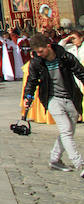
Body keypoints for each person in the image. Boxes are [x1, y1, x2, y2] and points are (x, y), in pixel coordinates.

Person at [22, 33, 84, 176]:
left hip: (70, 97)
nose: (39, 54)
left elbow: (80, 72)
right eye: (36, 52)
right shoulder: (37, 62)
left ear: (48, 46)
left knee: (69, 130)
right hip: (51, 98)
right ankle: (79, 164)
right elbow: (32, 81)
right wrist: (28, 97)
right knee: (66, 130)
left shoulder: (65, 56)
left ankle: (55, 159)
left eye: (41, 51)